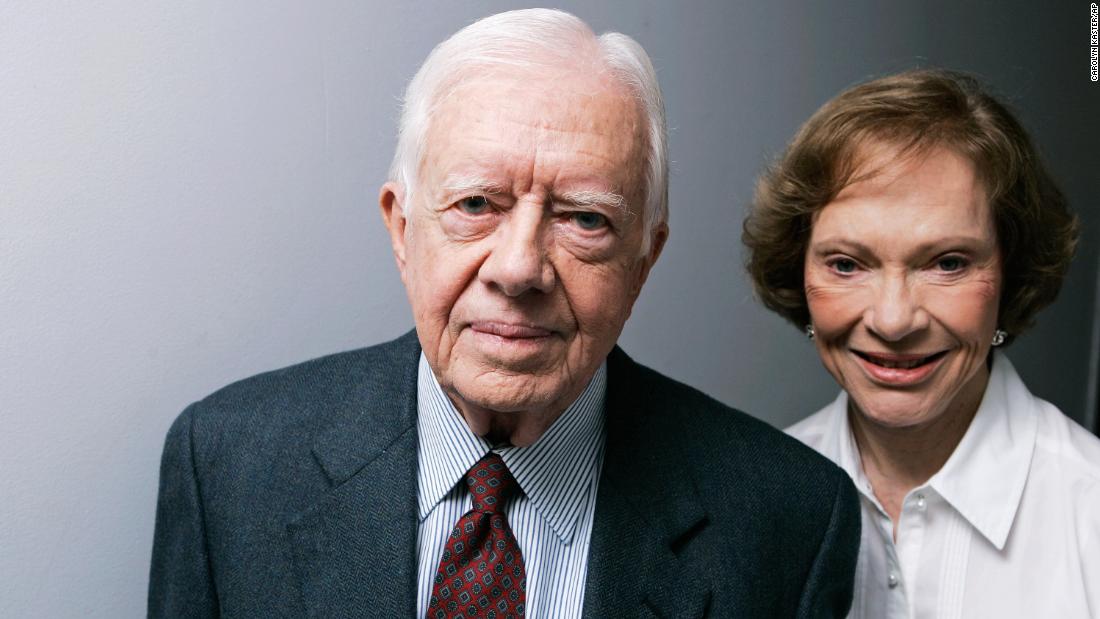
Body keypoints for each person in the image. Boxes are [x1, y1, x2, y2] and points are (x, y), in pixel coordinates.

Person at [148, 9, 860, 618]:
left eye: (584, 218)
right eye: (476, 205)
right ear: (402, 230)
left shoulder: (789, 519)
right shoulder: (228, 467)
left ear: (644, 260)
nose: (519, 268)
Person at [743, 68, 1100, 618]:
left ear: (1012, 274)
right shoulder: (746, 504)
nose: (893, 320)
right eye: (846, 264)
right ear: (798, 272)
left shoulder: (1089, 507)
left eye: (948, 263)